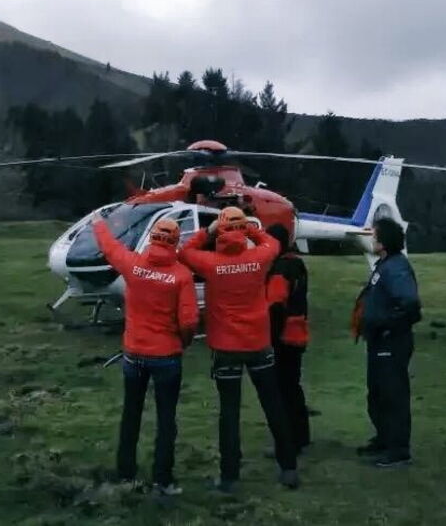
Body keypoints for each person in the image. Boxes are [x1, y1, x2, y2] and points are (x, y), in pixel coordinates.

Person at [179, 207, 300, 493]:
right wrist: (250, 228)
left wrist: (207, 232)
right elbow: (273, 243)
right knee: (274, 406)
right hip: (259, 345)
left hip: (225, 348)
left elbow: (184, 251)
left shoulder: (210, 263)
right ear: (243, 230)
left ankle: (230, 476)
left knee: (229, 414)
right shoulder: (259, 257)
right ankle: (289, 468)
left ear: (219, 231)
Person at [92, 213, 199, 495]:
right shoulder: (181, 276)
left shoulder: (133, 265)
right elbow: (189, 322)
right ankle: (163, 480)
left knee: (131, 414)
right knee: (166, 420)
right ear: (176, 242)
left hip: (133, 354)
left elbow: (110, 248)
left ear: (152, 237)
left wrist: (98, 223)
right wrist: (183, 343)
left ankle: (125, 472)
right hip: (167, 357)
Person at [352, 217, 421, 467]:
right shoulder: (385, 264)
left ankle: (398, 450)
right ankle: (384, 439)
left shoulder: (397, 268)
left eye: (375, 235)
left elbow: (410, 304)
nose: (372, 239)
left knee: (393, 395)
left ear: (385, 239)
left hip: (391, 343)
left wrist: (386, 325)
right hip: (379, 342)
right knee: (378, 394)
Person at [265, 223, 311, 454]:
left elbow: (275, 306)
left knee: (281, 391)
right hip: (298, 332)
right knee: (293, 388)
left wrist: (269, 340)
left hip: (283, 337)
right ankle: (301, 436)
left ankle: (287, 442)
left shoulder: (280, 268)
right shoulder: (297, 264)